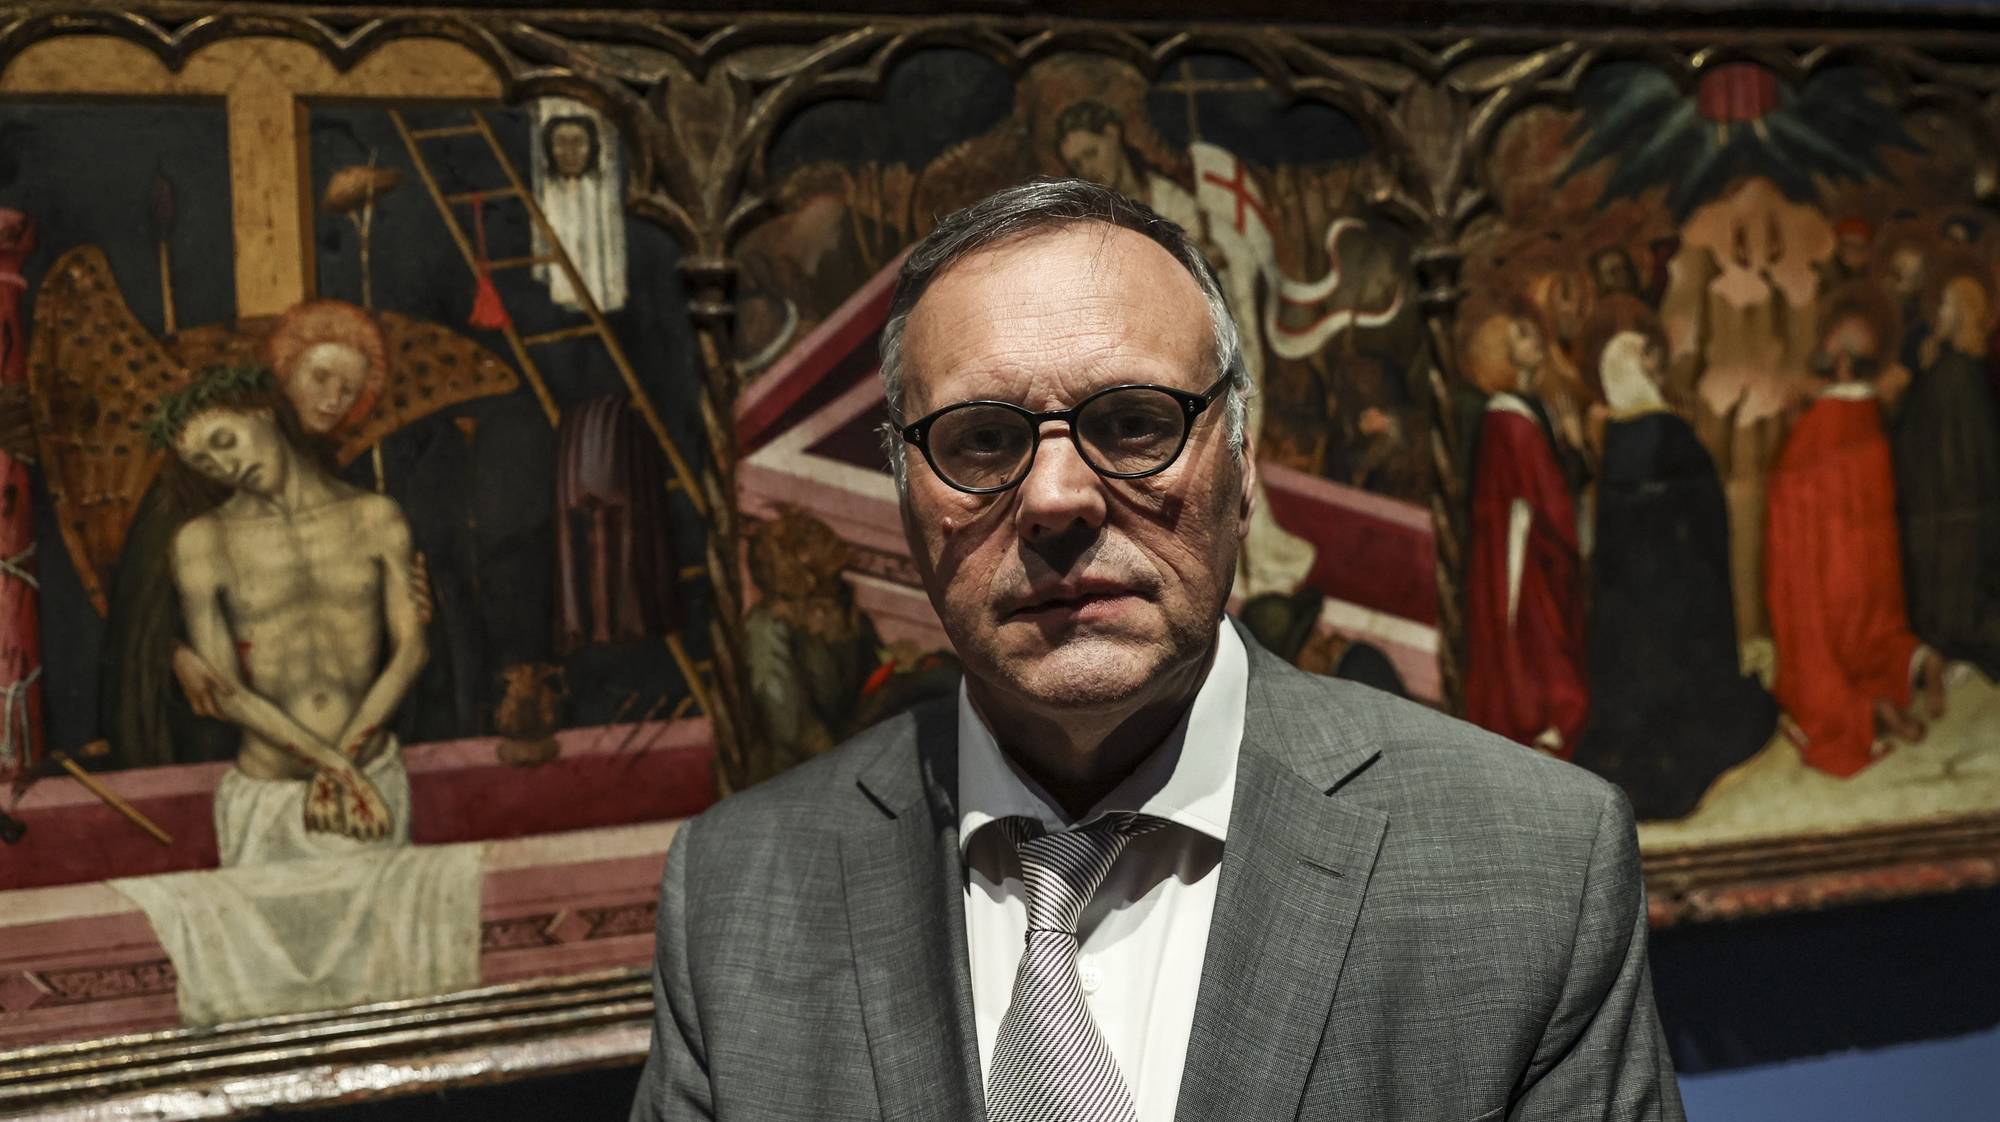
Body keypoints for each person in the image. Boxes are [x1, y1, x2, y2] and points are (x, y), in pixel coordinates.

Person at [630, 180, 1682, 1121]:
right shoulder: (735, 896)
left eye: (1132, 423)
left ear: (1242, 462)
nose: (1053, 498)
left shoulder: (1529, 870)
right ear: (906, 499)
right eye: (981, 441)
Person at [153, 364, 427, 859]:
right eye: (203, 461)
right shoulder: (203, 540)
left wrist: (344, 771)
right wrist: (338, 770)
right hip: (271, 797)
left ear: (260, 413)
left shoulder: (375, 515)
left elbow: (411, 649)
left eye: (224, 440)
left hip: (373, 781)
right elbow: (227, 690)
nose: (223, 464)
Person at [1571, 330, 1776, 820]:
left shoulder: (1617, 437)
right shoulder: (1667, 432)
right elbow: (1702, 506)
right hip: (1677, 593)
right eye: (1652, 365)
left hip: (1633, 603)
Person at [1765, 295, 1947, 776]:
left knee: (1812, 661)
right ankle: (1917, 660)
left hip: (1824, 573)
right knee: (1875, 631)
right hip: (1870, 576)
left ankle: (1866, 713)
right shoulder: (1869, 419)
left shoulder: (1817, 426)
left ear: (1840, 358)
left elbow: (1790, 517)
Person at [1459, 307, 1592, 759]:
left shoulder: (1520, 412)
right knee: (1534, 635)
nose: (1535, 343)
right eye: (1522, 336)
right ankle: (1544, 719)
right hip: (1525, 549)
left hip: (1522, 542)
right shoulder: (1511, 418)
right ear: (1503, 353)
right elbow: (1547, 495)